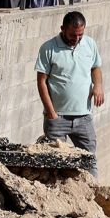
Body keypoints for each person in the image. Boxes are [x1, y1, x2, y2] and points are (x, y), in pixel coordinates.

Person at [35, 10, 103, 172]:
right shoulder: (48, 48)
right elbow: (41, 81)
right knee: (56, 165)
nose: (77, 39)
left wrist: (98, 85)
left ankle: (91, 194)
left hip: (84, 117)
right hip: (58, 118)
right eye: (73, 35)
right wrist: (51, 113)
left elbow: (96, 67)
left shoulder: (90, 44)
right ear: (62, 29)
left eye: (80, 34)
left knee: (89, 161)